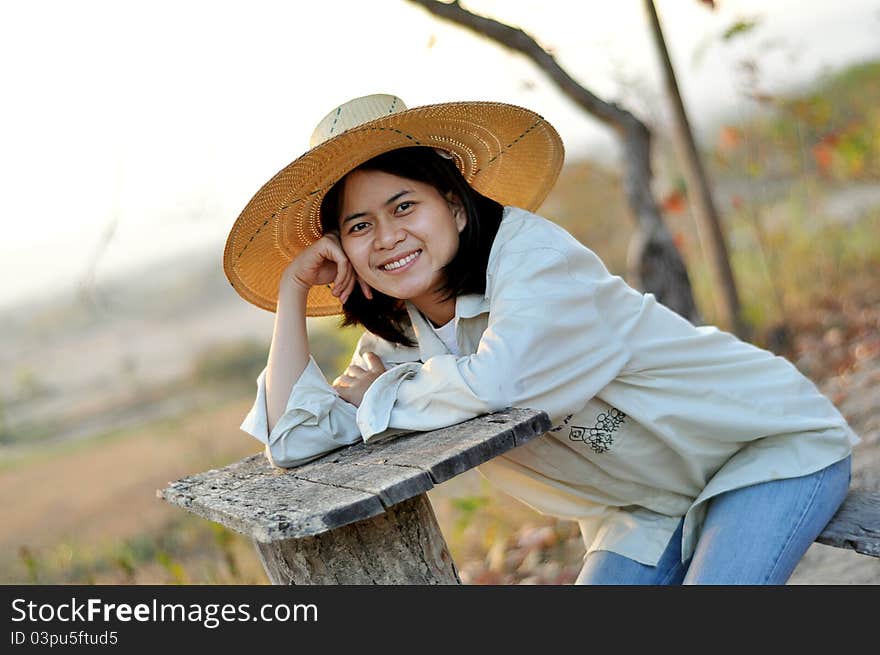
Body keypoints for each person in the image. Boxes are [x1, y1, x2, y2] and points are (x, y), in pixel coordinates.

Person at [224, 93, 858, 585]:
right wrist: (289, 296)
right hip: (645, 504)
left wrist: (382, 396)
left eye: (403, 206)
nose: (386, 236)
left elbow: (505, 381)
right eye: (358, 226)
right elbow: (296, 440)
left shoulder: (535, 261)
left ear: (456, 205)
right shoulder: (396, 342)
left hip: (759, 446)